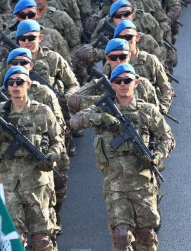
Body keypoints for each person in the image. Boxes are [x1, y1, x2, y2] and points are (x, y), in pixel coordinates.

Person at [70, 63, 174, 251]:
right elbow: (75, 121)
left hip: (142, 183)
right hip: (115, 185)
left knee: (146, 236)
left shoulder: (147, 111)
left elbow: (167, 138)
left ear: (136, 82)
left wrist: (157, 156)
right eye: (118, 81)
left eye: (127, 80)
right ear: (113, 84)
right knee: (122, 235)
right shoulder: (103, 108)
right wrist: (102, 118)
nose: (123, 84)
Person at [0, 66, 62, 250]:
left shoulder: (42, 112)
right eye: (11, 83)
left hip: (37, 183)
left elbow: (58, 142)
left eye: (20, 82)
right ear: (7, 87)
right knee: (14, 238)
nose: (15, 86)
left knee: (41, 240)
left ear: (28, 84)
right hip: (8, 183)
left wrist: (51, 156)